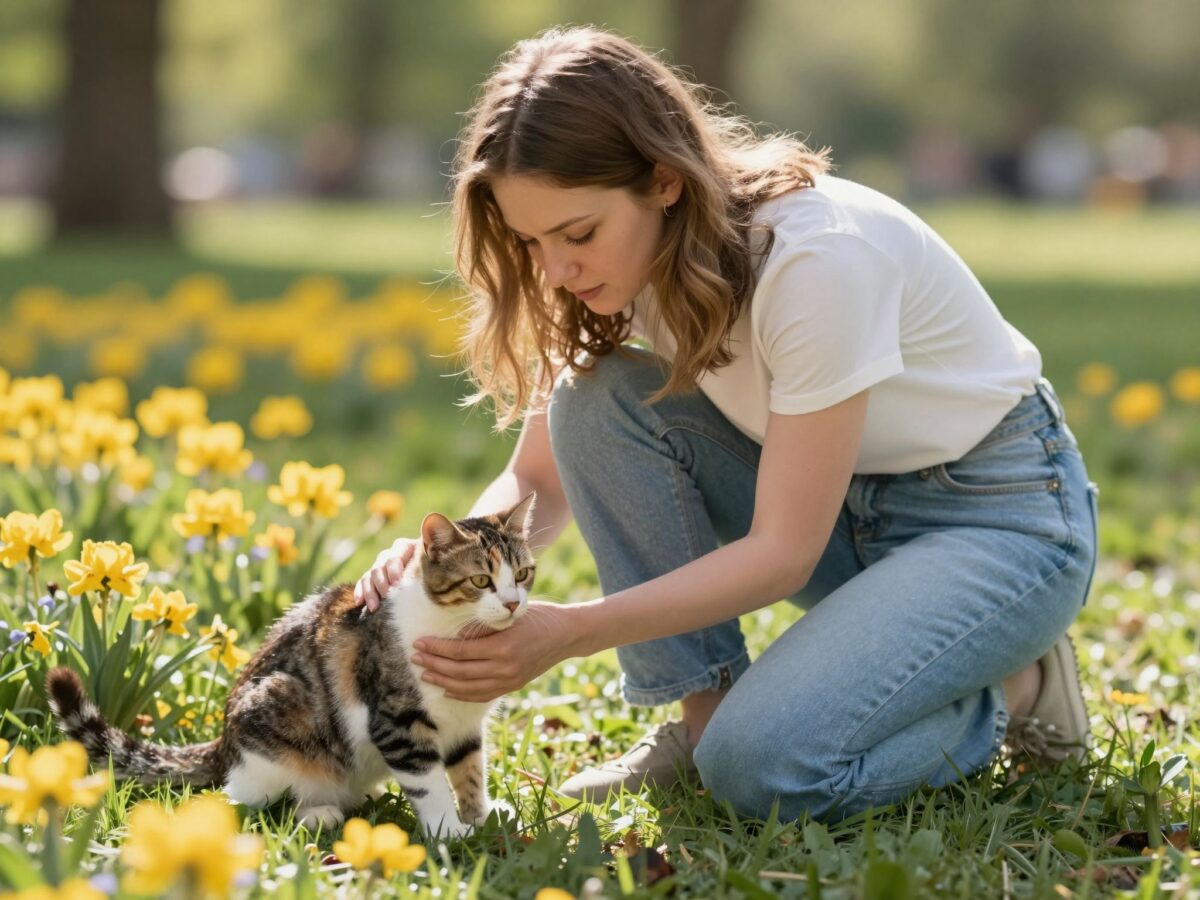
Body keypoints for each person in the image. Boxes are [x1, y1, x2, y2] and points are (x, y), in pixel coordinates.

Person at [353, 26, 1099, 823]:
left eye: (577, 235)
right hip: (842, 508)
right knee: (595, 396)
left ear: (665, 182)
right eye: (532, 242)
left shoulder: (816, 261)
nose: (556, 271)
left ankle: (1005, 690)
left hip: (996, 519)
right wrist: (446, 560)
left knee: (766, 774)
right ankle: (706, 726)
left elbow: (782, 552)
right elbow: (538, 478)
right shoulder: (613, 266)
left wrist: (570, 632)